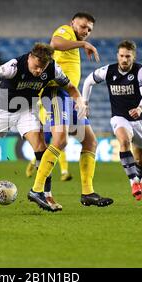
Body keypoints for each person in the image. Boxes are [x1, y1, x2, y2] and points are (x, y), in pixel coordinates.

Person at [0, 43, 95, 212]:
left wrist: (79, 101)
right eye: (36, 67)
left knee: (41, 147)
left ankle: (45, 194)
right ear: (30, 58)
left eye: (43, 68)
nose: (39, 71)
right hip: (1, 111)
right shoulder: (13, 66)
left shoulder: (53, 68)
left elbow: (70, 88)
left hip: (27, 110)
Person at [25, 12, 100, 187]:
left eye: (89, 30)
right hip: (55, 91)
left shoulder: (73, 44)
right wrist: (83, 43)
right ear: (72, 23)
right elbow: (55, 43)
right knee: (59, 140)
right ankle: (38, 188)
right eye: (82, 26)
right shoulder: (66, 31)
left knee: (90, 141)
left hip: (69, 96)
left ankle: (88, 192)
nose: (86, 31)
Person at [83, 40, 142, 201]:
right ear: (117, 56)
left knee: (140, 158)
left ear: (133, 57)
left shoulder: (141, 71)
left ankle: (139, 177)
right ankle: (134, 181)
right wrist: (84, 102)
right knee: (124, 142)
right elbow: (88, 81)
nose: (124, 59)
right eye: (121, 56)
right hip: (119, 117)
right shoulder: (108, 71)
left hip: (140, 119)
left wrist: (140, 109)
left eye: (128, 56)